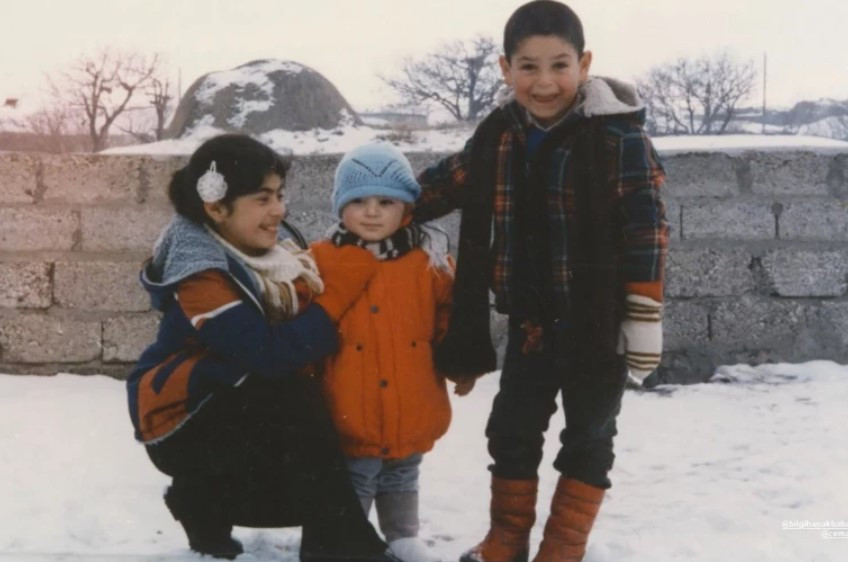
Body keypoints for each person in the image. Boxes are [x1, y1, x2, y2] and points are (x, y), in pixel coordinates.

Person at [412, 2, 669, 561]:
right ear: (506, 69)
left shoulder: (616, 136)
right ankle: (506, 538)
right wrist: (378, 209)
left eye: (559, 65)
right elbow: (439, 187)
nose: (545, 82)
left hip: (597, 326)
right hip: (531, 325)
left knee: (589, 437)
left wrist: (644, 314)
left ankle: (563, 546)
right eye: (529, 67)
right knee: (511, 431)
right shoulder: (498, 136)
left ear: (585, 64)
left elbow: (647, 225)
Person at [125, 134, 395, 561]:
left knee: (317, 460)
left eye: (280, 196)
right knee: (297, 402)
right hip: (181, 418)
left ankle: (199, 500)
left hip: (227, 399)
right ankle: (342, 550)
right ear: (216, 207)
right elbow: (267, 354)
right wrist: (333, 301)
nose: (279, 211)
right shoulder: (200, 272)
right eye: (263, 199)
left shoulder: (258, 249)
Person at [310, 142, 471, 562]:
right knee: (357, 472)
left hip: (411, 391)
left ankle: (403, 535)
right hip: (349, 395)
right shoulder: (320, 260)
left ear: (407, 208)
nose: (372, 212)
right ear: (339, 206)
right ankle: (348, 540)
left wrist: (461, 362)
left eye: (386, 201)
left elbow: (449, 317)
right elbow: (303, 319)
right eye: (358, 201)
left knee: (403, 468)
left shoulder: (429, 260)